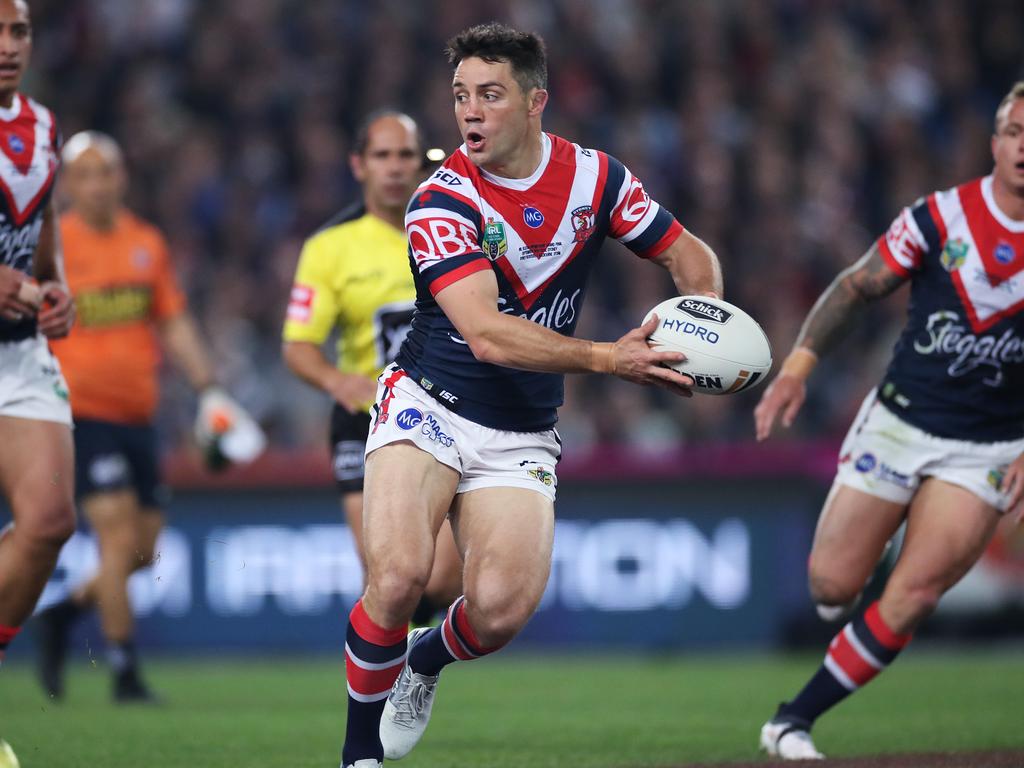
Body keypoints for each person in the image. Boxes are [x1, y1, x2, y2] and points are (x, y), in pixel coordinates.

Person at [339, 23, 724, 768]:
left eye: (490, 94)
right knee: (396, 577)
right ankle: (360, 757)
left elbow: (686, 252)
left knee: (500, 612)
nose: (470, 113)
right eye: (460, 97)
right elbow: (486, 333)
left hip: (519, 428)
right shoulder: (440, 198)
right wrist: (611, 358)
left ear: (535, 101)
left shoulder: (596, 179)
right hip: (430, 400)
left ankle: (423, 664)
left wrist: (708, 321)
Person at [753, 81, 1024, 760]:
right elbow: (856, 286)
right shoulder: (938, 218)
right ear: (995, 144)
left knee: (914, 594)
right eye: (1016, 133)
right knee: (832, 585)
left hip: (986, 446)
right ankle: (857, 589)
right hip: (899, 424)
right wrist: (799, 365)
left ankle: (792, 720)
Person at [34, 130, 255, 703]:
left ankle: (63, 614)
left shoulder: (144, 242)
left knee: (143, 550)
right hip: (80, 413)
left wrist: (208, 387)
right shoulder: (50, 246)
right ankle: (124, 669)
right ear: (67, 183)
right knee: (115, 539)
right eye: (83, 174)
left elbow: (173, 320)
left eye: (104, 173)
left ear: (121, 178)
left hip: (140, 417)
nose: (96, 185)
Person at [283, 111, 462, 625]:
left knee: (446, 577)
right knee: (388, 575)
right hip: (366, 420)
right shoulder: (329, 248)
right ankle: (391, 691)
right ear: (358, 165)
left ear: (422, 163)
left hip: (447, 415)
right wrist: (336, 379)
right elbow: (298, 346)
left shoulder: (452, 228)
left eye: (405, 155)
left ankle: (399, 660)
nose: (394, 167)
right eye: (382, 155)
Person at [0, 0, 76, 760]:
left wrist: (55, 289)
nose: (7, 45)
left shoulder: (42, 126)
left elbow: (40, 226)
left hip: (19, 350)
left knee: (50, 520)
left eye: (18, 30)